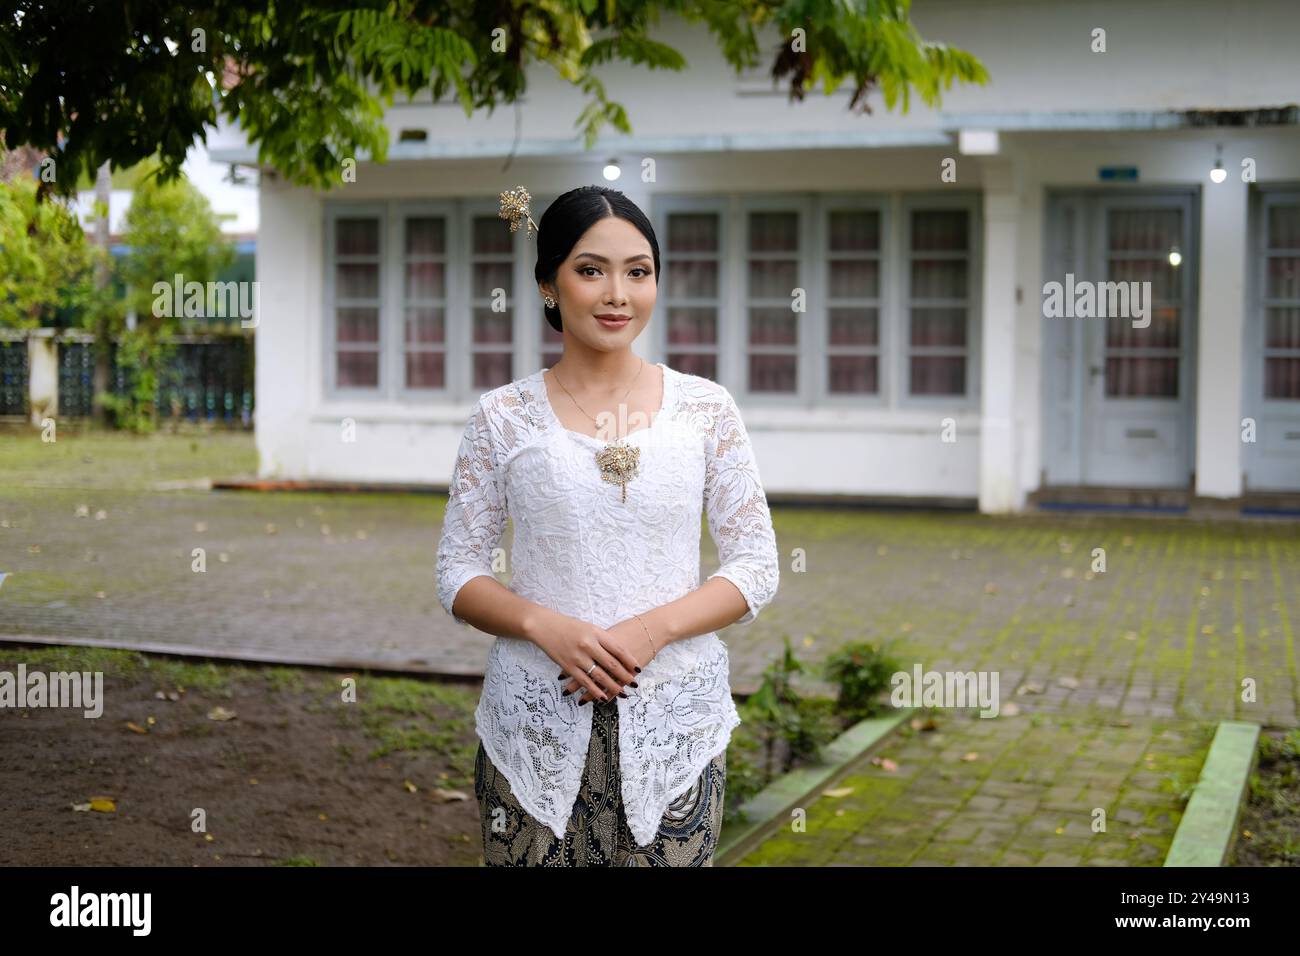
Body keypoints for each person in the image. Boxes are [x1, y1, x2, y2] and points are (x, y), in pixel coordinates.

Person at [436, 184, 780, 866]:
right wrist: (546, 627)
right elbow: (458, 569)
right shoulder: (503, 417)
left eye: (638, 271)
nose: (617, 293)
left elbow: (755, 567)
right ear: (547, 285)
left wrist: (648, 632)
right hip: (533, 724)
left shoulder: (705, 411)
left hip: (675, 727)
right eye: (590, 270)